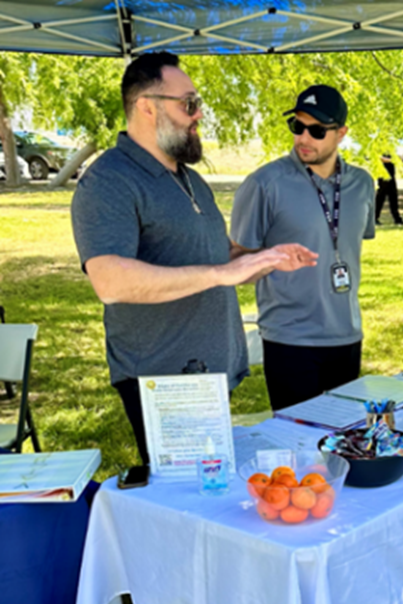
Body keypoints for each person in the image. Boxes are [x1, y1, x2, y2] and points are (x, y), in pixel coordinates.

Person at [71, 52, 317, 469]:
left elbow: (217, 257)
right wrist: (223, 272)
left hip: (212, 372)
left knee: (215, 491)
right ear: (147, 106)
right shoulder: (109, 180)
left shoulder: (189, 179)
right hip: (164, 383)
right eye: (188, 104)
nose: (198, 114)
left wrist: (264, 258)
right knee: (189, 499)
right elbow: (110, 281)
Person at [230, 85, 375, 411]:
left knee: (343, 443)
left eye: (316, 130)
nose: (303, 138)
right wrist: (270, 260)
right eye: (297, 126)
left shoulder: (363, 184)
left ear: (341, 133)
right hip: (289, 339)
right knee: (299, 444)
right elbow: (233, 262)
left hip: (347, 334)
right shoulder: (264, 184)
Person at [375, 154, 403, 225]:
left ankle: (397, 219)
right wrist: (393, 160)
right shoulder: (379, 146)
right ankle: (374, 218)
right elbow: (379, 158)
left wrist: (398, 157)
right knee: (380, 198)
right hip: (383, 175)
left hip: (391, 175)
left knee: (393, 196)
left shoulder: (390, 147)